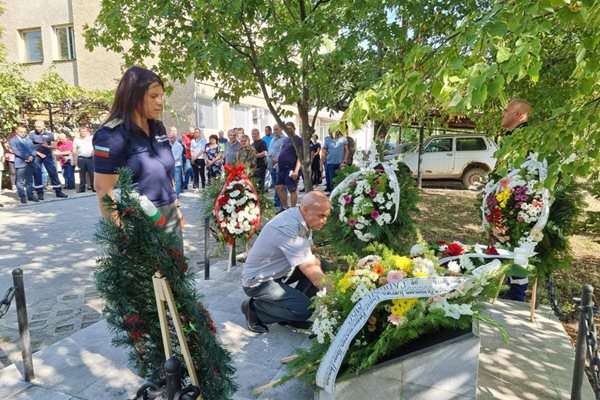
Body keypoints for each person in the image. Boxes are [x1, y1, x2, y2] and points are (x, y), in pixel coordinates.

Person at [93, 66, 183, 247]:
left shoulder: (158, 128)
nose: (160, 102)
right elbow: (104, 190)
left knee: (175, 274)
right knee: (147, 275)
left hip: (169, 215)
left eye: (161, 96)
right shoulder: (112, 135)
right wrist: (120, 236)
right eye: (153, 96)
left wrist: (176, 207)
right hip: (138, 220)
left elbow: (166, 174)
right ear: (133, 96)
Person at [240, 191, 332, 333]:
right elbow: (312, 272)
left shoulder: (301, 217)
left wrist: (316, 259)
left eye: (326, 216)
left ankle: (290, 312)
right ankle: (254, 309)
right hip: (259, 281)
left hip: (278, 272)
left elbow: (309, 250)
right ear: (306, 209)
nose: (324, 221)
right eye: (321, 216)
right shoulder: (289, 227)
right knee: (305, 309)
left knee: (322, 265)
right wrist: (341, 295)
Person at [498, 98, 532, 302]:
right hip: (507, 204)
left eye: (506, 111)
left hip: (521, 207)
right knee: (510, 249)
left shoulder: (526, 139)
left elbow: (525, 175)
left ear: (518, 115)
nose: (503, 114)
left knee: (520, 250)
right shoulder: (512, 137)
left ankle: (516, 296)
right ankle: (510, 290)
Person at [29, 120, 68, 199]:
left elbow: (54, 146)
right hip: (36, 156)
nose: (37, 128)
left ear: (43, 126)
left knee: (53, 172)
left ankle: (58, 191)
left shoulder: (49, 134)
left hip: (47, 156)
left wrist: (48, 146)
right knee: (37, 174)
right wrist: (39, 154)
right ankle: (40, 193)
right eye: (36, 127)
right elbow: (29, 147)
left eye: (39, 127)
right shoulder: (31, 134)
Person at [8, 126, 37, 203]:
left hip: (30, 162)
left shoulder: (28, 139)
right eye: (21, 132)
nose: (23, 133)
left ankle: (30, 196)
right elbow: (16, 151)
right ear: (17, 131)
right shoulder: (12, 140)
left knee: (29, 180)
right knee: (20, 181)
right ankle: (22, 197)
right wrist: (27, 157)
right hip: (20, 162)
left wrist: (32, 156)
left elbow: (33, 149)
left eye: (24, 132)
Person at [267, 123, 285, 208]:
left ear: (281, 129)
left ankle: (282, 204)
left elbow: (284, 153)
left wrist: (278, 159)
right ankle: (277, 202)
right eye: (274, 129)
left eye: (276, 129)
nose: (274, 131)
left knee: (281, 187)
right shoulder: (273, 138)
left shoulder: (284, 139)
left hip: (279, 166)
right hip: (271, 166)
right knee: (275, 186)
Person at [72, 126, 95, 193]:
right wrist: (75, 159)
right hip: (81, 158)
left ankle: (94, 187)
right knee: (81, 174)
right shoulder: (76, 139)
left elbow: (96, 145)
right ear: (79, 132)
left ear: (87, 132)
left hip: (90, 158)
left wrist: (94, 151)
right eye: (81, 131)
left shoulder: (91, 138)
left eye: (84, 131)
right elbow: (74, 149)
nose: (83, 133)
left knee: (92, 173)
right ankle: (82, 188)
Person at [168, 129, 184, 197]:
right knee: (169, 180)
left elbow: (178, 156)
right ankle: (170, 193)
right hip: (169, 165)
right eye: (169, 137)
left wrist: (170, 160)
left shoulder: (179, 145)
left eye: (172, 137)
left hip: (177, 165)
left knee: (177, 180)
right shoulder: (167, 145)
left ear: (175, 137)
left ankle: (177, 194)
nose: (170, 139)